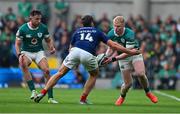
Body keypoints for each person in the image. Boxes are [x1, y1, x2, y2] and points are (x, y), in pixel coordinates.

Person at [34, 15, 140, 104]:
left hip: (74, 52)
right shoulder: (97, 31)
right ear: (92, 23)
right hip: (88, 54)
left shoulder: (77, 31)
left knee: (60, 72)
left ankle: (42, 92)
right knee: (93, 74)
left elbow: (70, 47)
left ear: (82, 24)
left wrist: (74, 61)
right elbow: (114, 46)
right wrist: (130, 52)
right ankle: (83, 99)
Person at [104, 16, 158, 106]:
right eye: (114, 26)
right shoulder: (110, 34)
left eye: (118, 26)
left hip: (134, 53)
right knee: (128, 84)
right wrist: (105, 57)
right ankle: (122, 96)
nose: (116, 28)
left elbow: (128, 52)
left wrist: (113, 59)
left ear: (123, 25)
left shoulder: (129, 33)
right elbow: (111, 48)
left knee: (140, 73)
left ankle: (148, 92)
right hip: (122, 58)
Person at [15, 10, 58, 104]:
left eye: (40, 19)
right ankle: (33, 91)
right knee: (23, 63)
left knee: (47, 71)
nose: (39, 21)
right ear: (31, 18)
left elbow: (48, 40)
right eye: (37, 19)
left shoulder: (43, 27)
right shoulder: (23, 29)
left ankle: (50, 98)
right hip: (26, 52)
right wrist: (19, 54)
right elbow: (17, 44)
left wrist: (51, 47)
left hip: (39, 52)